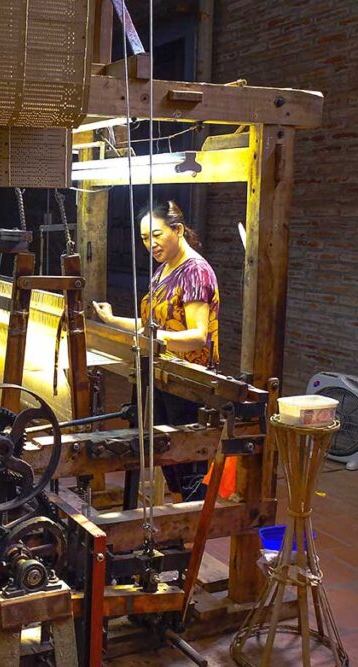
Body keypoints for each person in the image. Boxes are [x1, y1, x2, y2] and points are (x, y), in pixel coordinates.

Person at [92, 200, 221, 502]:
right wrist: (112, 320)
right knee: (168, 454)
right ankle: (178, 524)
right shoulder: (164, 271)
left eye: (156, 235)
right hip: (164, 374)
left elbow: (198, 336)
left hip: (189, 382)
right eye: (144, 238)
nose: (151, 244)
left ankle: (190, 527)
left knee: (189, 460)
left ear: (177, 230)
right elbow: (153, 324)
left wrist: (155, 338)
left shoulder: (195, 271)